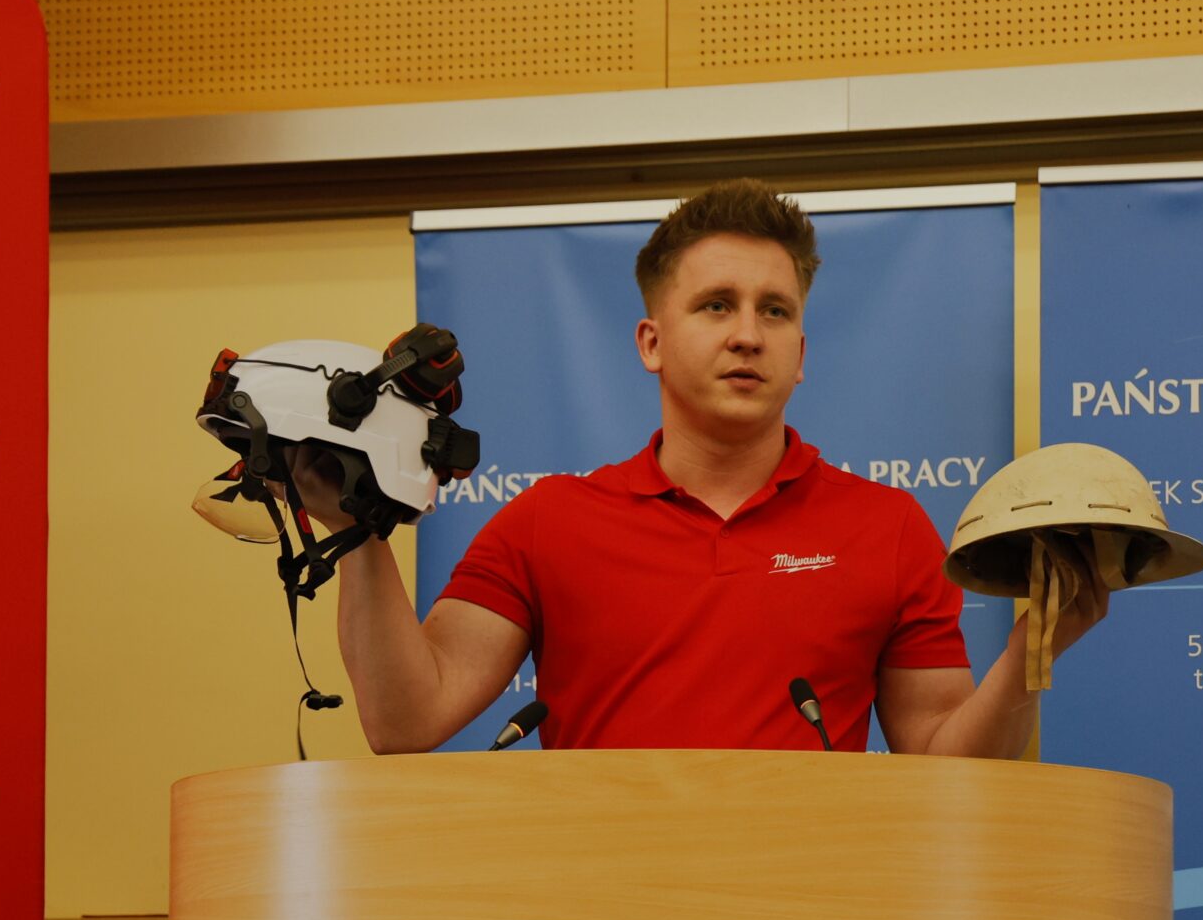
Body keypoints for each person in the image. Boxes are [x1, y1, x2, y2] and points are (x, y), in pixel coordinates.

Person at [294, 178, 1104, 755]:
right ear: (651, 342)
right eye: (717, 305)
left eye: (774, 311)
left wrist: (1027, 658)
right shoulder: (545, 523)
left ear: (800, 355)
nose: (747, 334)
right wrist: (357, 533)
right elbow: (407, 720)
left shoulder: (888, 528)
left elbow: (943, 760)